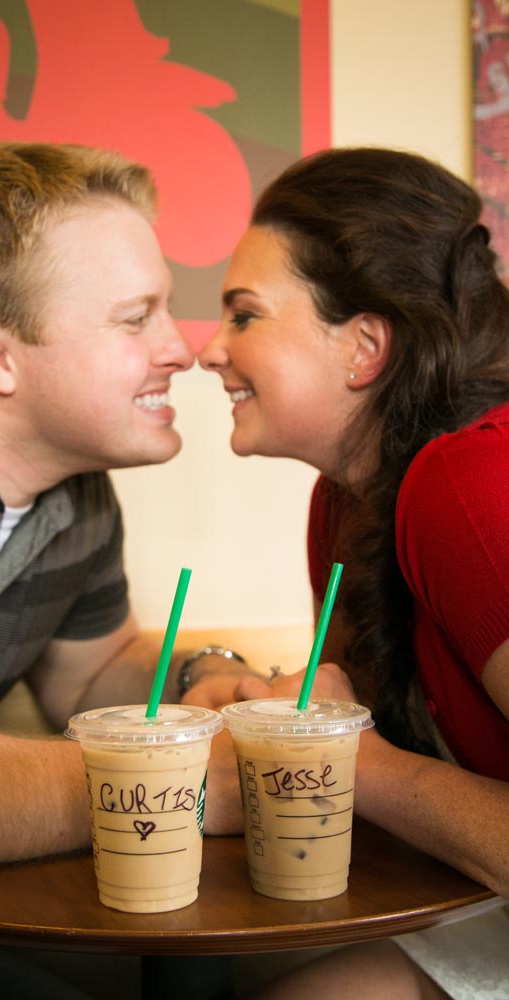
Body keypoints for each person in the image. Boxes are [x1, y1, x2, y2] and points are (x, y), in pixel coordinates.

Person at [0, 141, 247, 999]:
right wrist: (171, 781)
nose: (183, 349)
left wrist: (207, 677)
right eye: (136, 318)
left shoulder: (79, 493)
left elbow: (92, 676)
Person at [200, 146, 509, 1000]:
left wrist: (348, 760)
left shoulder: (470, 489)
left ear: (365, 344)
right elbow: (350, 720)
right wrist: (271, 704)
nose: (206, 350)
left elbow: (360, 760)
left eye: (244, 315)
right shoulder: (341, 503)